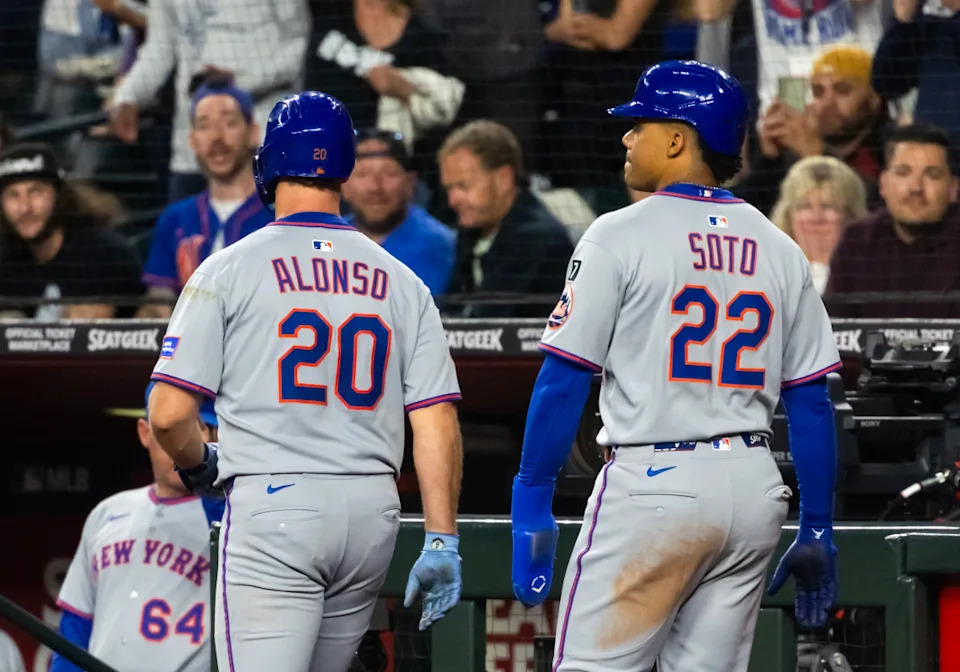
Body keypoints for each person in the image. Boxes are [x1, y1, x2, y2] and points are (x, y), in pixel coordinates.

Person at [510, 60, 841, 671]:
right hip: (753, 490)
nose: (627, 137)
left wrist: (531, 494)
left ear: (678, 139)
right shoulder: (780, 246)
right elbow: (812, 403)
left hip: (654, 486)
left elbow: (562, 380)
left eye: (641, 123)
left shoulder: (619, 233)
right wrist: (817, 523)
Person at [145, 91, 464, 672]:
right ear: (342, 167)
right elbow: (436, 417)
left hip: (276, 507)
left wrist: (200, 464)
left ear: (267, 164)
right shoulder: (402, 279)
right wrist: (441, 537)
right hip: (371, 514)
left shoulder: (228, 267)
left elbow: (167, 414)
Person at [51, 382, 222, 672]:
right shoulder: (107, 513)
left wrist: (207, 471)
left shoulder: (227, 516)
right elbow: (75, 628)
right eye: (174, 432)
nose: (183, 445)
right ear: (146, 432)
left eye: (197, 431)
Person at [108, 0, 310, 202]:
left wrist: (237, 84)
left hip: (263, 145)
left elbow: (300, 46)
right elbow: (159, 49)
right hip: (192, 152)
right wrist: (128, 96)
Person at [138, 79, 274, 318]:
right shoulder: (176, 218)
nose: (216, 138)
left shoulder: (281, 215)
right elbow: (158, 304)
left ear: (253, 133)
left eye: (229, 123)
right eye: (204, 126)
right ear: (192, 140)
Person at [438, 120, 573, 318]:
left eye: (463, 186)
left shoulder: (534, 238)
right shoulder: (471, 232)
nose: (453, 201)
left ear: (503, 179)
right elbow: (452, 306)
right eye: (449, 189)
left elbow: (488, 322)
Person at [736, 45, 890, 214]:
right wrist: (770, 161)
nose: (826, 104)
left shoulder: (893, 149)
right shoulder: (794, 152)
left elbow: (880, 212)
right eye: (818, 92)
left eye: (842, 90)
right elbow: (743, 216)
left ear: (874, 99)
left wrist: (818, 160)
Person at [826, 123, 960, 317]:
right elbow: (835, 329)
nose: (916, 188)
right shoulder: (856, 241)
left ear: (952, 189)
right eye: (903, 173)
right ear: (883, 185)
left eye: (932, 175)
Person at [0, 142, 142, 319]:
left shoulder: (103, 254)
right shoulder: (7, 261)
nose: (25, 208)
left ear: (59, 196)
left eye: (36, 192)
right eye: (13, 195)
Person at [342, 128, 455, 296]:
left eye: (389, 174)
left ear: (410, 184)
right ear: (344, 187)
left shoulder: (437, 245)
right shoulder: (326, 240)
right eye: (363, 175)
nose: (375, 187)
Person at [771, 156, 868, 294]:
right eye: (804, 207)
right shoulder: (767, 271)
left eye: (828, 206)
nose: (816, 218)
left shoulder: (871, 274)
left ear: (850, 215)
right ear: (788, 216)